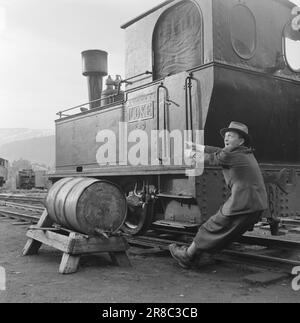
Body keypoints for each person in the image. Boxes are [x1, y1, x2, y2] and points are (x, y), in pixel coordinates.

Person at [169, 121, 269, 269]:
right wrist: (197, 146)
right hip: (257, 204)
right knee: (227, 232)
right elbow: (218, 150)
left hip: (242, 202)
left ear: (241, 140)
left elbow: (212, 158)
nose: (226, 138)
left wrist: (189, 153)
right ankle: (204, 255)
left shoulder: (231, 154)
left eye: (231, 136)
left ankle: (187, 256)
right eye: (226, 135)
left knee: (210, 227)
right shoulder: (244, 152)